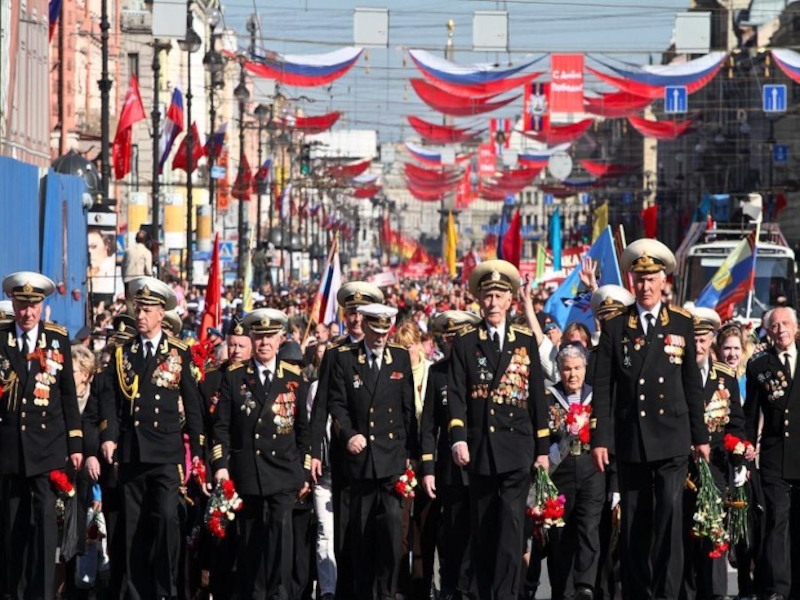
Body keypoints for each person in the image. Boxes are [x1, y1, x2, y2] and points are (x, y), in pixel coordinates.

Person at [591, 239, 709, 600]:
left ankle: (667, 593)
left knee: (670, 520)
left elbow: (691, 383)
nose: (645, 286)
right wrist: (600, 439)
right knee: (635, 524)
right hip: (632, 439)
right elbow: (604, 388)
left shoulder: (682, 323)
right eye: (639, 279)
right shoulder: (616, 328)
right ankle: (637, 593)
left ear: (663, 281)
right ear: (632, 282)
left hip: (672, 438)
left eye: (651, 278)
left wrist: (700, 436)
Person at [448, 259, 550, 600]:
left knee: (511, 527)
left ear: (510, 301)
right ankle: (483, 591)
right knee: (484, 527)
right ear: (479, 301)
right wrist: (458, 438)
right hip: (480, 449)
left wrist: (542, 450)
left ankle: (506, 593)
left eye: (499, 296)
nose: (492, 303)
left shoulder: (524, 340)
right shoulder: (465, 342)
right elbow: (458, 396)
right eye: (487, 296)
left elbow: (537, 395)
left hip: (517, 448)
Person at [99, 276, 205, 600]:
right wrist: (109, 437)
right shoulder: (123, 354)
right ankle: (136, 592)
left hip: (165, 451)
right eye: (137, 308)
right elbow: (113, 401)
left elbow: (193, 403)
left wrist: (197, 449)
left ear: (162, 313)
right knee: (133, 528)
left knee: (167, 520)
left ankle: (166, 589)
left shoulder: (178, 352)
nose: (140, 315)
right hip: (132, 453)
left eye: (147, 309)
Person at [212, 308, 311, 600]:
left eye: (270, 337)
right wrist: (220, 464)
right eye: (259, 337)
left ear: (281, 339)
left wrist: (304, 470)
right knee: (250, 543)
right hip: (248, 472)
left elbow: (304, 431)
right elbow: (222, 427)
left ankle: (280, 595)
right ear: (252, 339)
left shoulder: (294, 377)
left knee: (281, 541)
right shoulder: (234, 377)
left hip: (283, 471)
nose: (264, 343)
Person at [0, 271, 84, 600]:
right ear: (14, 304)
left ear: (41, 306)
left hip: (47, 448)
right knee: (13, 526)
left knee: (46, 523)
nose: (27, 312)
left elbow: (67, 398)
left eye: (33, 305)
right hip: (9, 450)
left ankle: (45, 593)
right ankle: (14, 592)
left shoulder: (57, 340)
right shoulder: (2, 339)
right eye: (22, 305)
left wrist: (75, 444)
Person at [326, 303, 418, 600]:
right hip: (362, 462)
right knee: (362, 535)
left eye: (384, 331)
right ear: (363, 326)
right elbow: (337, 404)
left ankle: (387, 592)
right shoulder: (346, 359)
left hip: (392, 460)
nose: (379, 337)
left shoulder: (400, 358)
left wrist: (413, 455)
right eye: (374, 330)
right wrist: (350, 435)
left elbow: (407, 410)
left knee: (392, 534)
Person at [309, 281, 385, 598]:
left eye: (361, 313)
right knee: (342, 534)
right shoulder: (337, 354)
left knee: (376, 531)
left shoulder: (385, 352)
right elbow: (322, 407)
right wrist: (313, 452)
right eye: (351, 313)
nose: (355, 320)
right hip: (344, 460)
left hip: (379, 457)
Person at [682, 306, 747, 600]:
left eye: (704, 339)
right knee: (685, 533)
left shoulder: (725, 376)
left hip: (716, 466)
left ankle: (717, 594)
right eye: (693, 339)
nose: (699, 345)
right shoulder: (677, 373)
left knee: (714, 531)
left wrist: (740, 452)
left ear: (711, 340)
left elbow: (736, 422)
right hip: (683, 466)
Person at [420, 310, 481, 600]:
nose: (454, 342)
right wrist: (428, 468)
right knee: (452, 534)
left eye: (460, 336)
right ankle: (451, 588)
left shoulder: (483, 368)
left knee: (479, 534)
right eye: (450, 337)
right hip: (450, 471)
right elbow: (429, 427)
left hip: (482, 464)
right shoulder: (437, 373)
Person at [744, 306, 800, 600]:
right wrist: (745, 447)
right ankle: (778, 588)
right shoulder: (759, 366)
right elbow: (750, 414)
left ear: (796, 326)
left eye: (785, 323)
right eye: (774, 326)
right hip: (775, 456)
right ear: (768, 331)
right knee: (777, 522)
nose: (781, 330)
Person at [545, 342, 604, 600]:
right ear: (559, 370)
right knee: (560, 535)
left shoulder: (597, 395)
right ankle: (564, 591)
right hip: (561, 473)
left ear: (585, 368)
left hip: (592, 470)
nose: (573, 374)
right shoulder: (549, 397)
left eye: (577, 368)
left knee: (589, 526)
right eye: (567, 369)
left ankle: (586, 586)